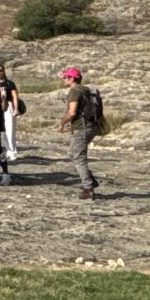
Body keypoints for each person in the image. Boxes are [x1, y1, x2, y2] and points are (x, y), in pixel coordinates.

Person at [58, 66, 100, 200]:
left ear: (72, 78)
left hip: (81, 128)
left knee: (79, 157)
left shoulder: (74, 91)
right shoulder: (86, 90)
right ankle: (90, 180)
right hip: (91, 126)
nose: (63, 79)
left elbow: (72, 112)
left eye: (66, 77)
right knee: (73, 153)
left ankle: (88, 188)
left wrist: (62, 123)